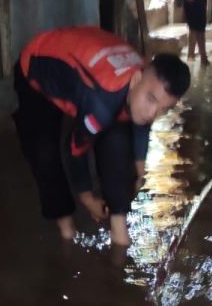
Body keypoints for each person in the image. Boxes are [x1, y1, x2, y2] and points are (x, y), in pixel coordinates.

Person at [13, 27, 190, 247]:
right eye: (151, 100)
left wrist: (139, 171)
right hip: (37, 66)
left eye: (164, 109)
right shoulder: (102, 103)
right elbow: (74, 150)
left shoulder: (145, 82)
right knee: (45, 154)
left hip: (87, 68)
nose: (153, 114)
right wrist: (88, 199)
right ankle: (67, 232)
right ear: (135, 80)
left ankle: (119, 231)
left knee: (117, 139)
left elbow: (142, 125)